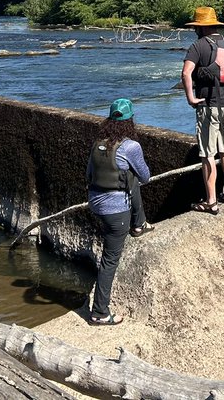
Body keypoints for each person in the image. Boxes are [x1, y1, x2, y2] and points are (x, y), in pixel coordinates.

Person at [85, 97, 153, 326]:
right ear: (130, 120)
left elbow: (88, 174)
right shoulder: (131, 147)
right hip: (116, 211)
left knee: (127, 178)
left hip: (95, 203)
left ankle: (139, 223)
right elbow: (145, 176)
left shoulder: (98, 143)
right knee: (109, 260)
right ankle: (100, 312)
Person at [181, 6, 224, 213]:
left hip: (208, 105)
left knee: (208, 154)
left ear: (200, 27)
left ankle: (211, 201)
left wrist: (191, 98)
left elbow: (186, 73)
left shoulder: (198, 46)